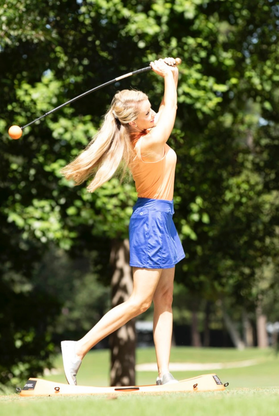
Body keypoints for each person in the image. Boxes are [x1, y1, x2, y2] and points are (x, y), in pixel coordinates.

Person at [60, 57, 185, 386]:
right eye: (147, 113)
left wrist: (170, 75)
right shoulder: (146, 143)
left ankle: (164, 374)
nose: (153, 115)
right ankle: (78, 348)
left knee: (165, 297)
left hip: (163, 218)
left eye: (150, 109)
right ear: (133, 124)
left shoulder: (144, 131)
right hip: (151, 221)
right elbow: (170, 110)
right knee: (140, 301)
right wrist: (169, 78)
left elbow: (162, 106)